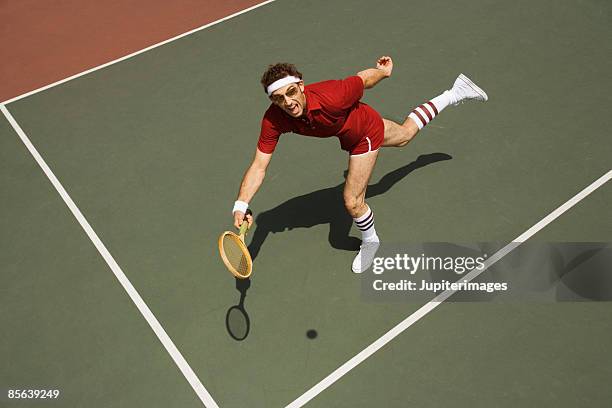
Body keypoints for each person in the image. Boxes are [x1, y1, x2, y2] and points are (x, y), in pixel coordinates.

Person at [231, 56, 487, 273]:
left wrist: (383, 72)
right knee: (406, 135)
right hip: (354, 127)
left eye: (290, 92)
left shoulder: (334, 95)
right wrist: (241, 205)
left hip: (363, 134)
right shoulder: (274, 119)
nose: (287, 102)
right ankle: (455, 93)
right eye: (278, 99)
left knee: (353, 201)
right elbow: (259, 166)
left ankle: (371, 241)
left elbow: (362, 80)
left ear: (301, 85)